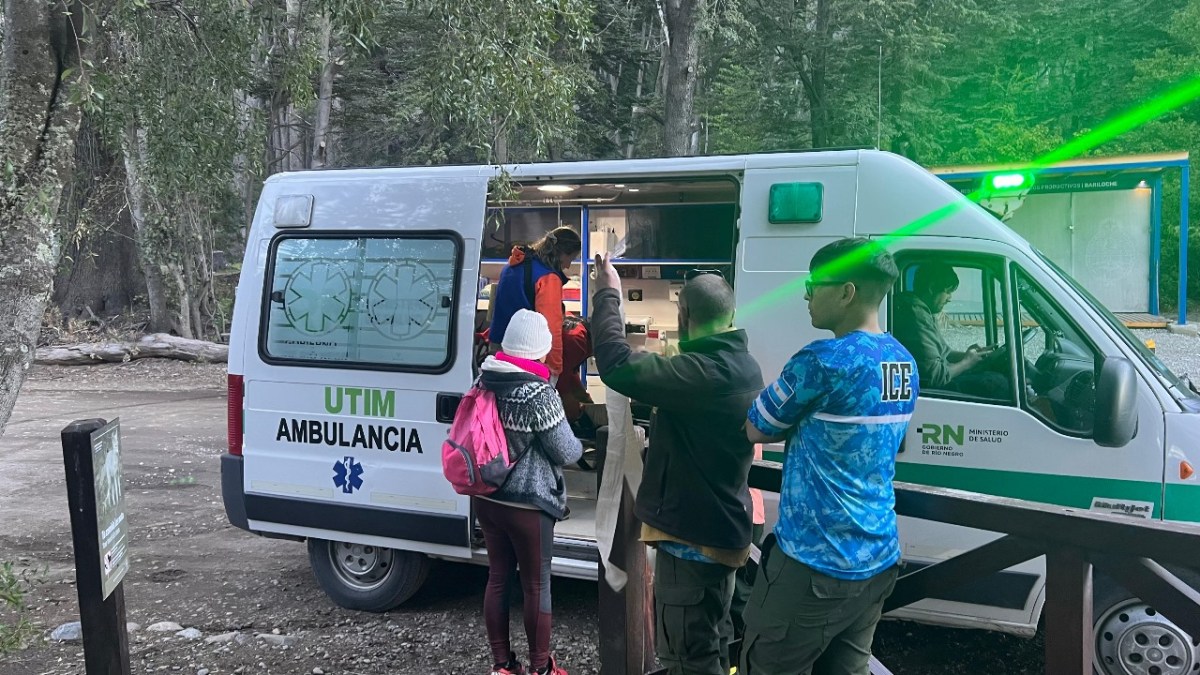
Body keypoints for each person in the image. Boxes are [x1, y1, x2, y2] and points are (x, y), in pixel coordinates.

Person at [740, 238, 918, 675]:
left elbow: (756, 427)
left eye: (814, 285)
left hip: (814, 565)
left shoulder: (822, 361)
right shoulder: (904, 362)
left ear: (846, 292)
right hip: (878, 557)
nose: (806, 295)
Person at [590, 255, 765, 675]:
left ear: (683, 316)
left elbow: (615, 364)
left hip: (693, 541)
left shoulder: (702, 374)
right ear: (731, 316)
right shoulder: (742, 365)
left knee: (686, 657)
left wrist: (608, 293)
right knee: (714, 642)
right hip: (721, 532)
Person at [475, 309, 584, 675]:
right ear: (541, 348)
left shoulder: (483, 379)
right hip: (528, 504)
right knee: (536, 585)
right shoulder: (538, 393)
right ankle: (541, 668)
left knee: (498, 578)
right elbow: (566, 451)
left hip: (487, 496)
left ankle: (503, 666)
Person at [890, 262, 1005, 398]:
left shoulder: (924, 311)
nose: (950, 299)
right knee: (997, 383)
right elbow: (936, 375)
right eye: (948, 292)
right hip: (931, 390)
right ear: (932, 288)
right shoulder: (915, 315)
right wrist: (967, 363)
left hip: (941, 378)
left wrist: (975, 356)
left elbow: (945, 353)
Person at [489, 227, 584, 380]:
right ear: (562, 254)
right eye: (571, 259)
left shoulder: (513, 265)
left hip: (498, 348)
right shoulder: (548, 278)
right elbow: (551, 327)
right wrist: (555, 368)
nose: (568, 266)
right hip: (526, 356)